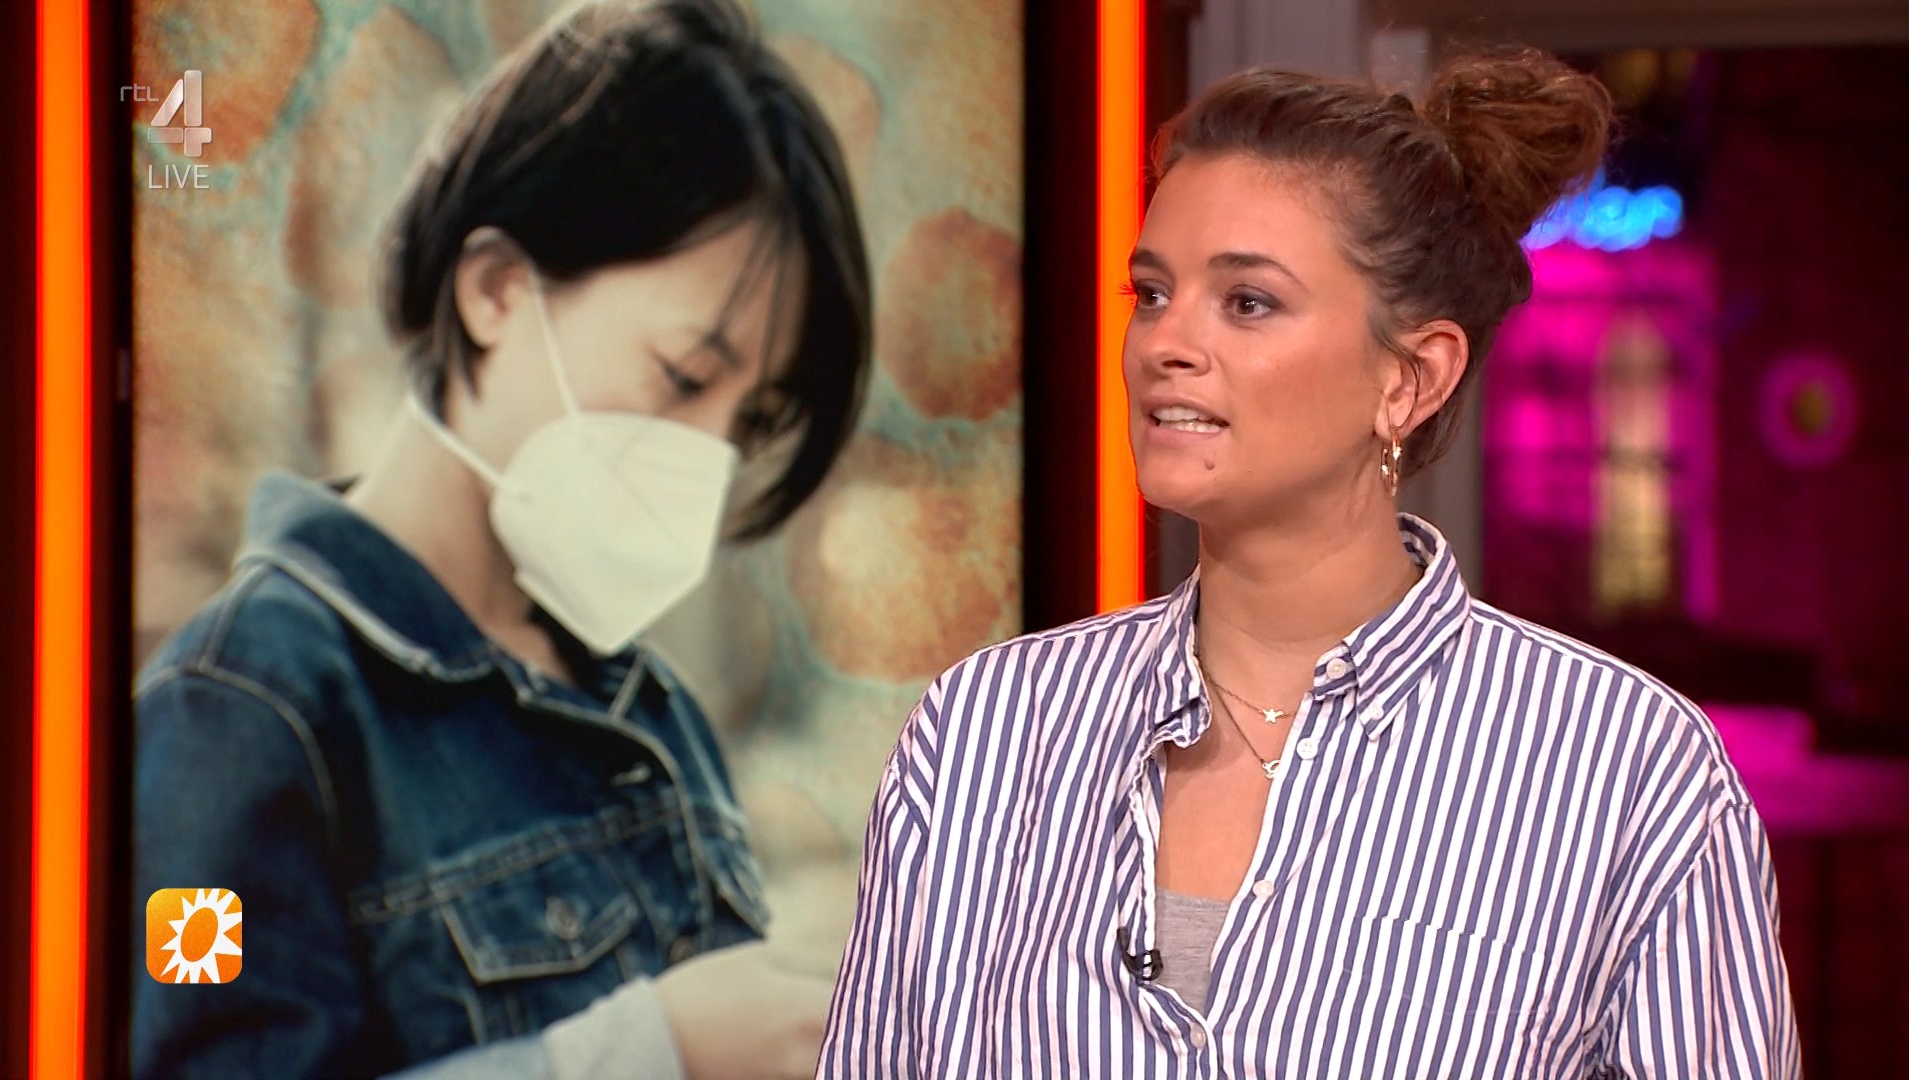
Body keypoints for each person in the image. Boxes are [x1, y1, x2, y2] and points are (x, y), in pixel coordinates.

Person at [820, 49, 1799, 1079]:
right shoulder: (982, 734)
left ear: (1410, 379)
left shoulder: (1628, 772)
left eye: (1247, 301)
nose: (1164, 344)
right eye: (1152, 293)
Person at [131, 2, 869, 1077]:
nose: (706, 460)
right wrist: (646, 1053)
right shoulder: (235, 712)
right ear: (495, 292)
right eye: (684, 377)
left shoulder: (644, 710)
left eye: (747, 423)